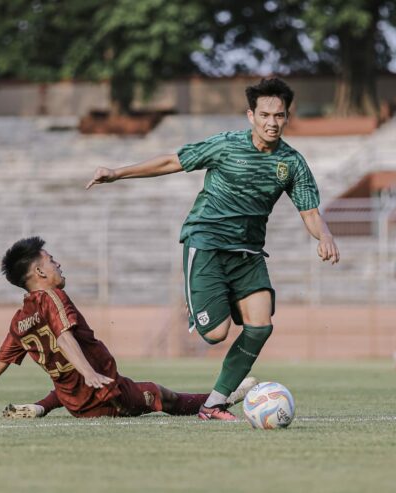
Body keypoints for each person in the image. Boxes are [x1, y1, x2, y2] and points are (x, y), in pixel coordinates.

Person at [85, 78, 340, 420]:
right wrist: (117, 173)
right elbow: (171, 162)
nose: (272, 122)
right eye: (265, 114)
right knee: (216, 334)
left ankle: (214, 403)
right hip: (206, 243)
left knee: (261, 325)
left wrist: (324, 236)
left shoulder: (291, 163)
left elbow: (310, 212)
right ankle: (205, 299)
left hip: (248, 253)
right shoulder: (226, 146)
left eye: (279, 115)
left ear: (287, 117)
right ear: (251, 115)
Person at [0, 237, 254, 420]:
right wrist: (91, 374)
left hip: (76, 403)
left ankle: (40, 407)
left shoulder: (19, 320)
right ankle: (220, 400)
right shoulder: (52, 296)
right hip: (107, 392)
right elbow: (64, 337)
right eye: (51, 260)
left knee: (65, 381)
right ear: (39, 271)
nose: (58, 264)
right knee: (164, 395)